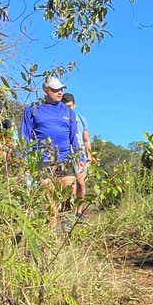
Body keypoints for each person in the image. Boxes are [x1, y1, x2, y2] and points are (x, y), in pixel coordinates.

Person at [21, 76, 83, 228]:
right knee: (49, 200)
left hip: (65, 159)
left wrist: (80, 157)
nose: (60, 92)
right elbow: (25, 136)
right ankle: (52, 233)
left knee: (68, 195)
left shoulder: (68, 112)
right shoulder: (33, 110)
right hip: (43, 160)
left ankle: (68, 230)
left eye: (61, 89)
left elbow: (74, 137)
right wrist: (24, 158)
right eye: (55, 90)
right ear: (46, 90)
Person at [61, 92, 93, 220]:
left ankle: (79, 212)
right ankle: (69, 212)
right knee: (70, 185)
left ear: (74, 105)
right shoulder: (60, 120)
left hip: (80, 155)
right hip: (66, 155)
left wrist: (89, 156)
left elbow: (86, 139)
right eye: (65, 106)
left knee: (81, 183)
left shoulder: (81, 119)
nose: (68, 109)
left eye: (70, 106)